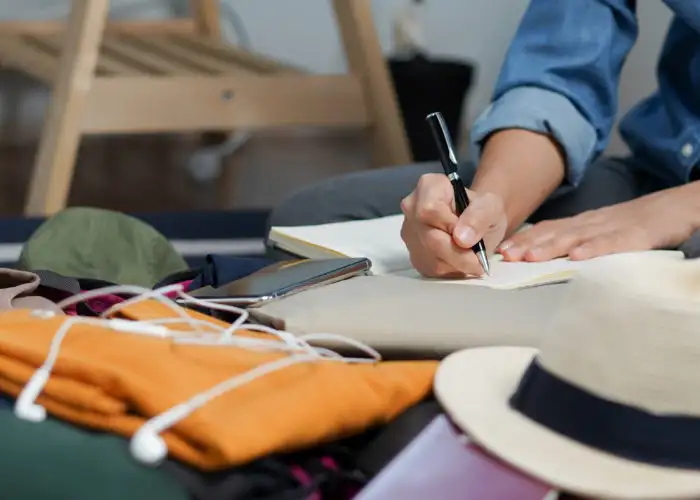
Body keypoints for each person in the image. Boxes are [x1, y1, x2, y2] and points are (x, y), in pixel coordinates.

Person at [268, 0, 700, 278]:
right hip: (660, 172)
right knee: (312, 222)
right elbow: (561, 76)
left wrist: (684, 207)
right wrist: (489, 205)